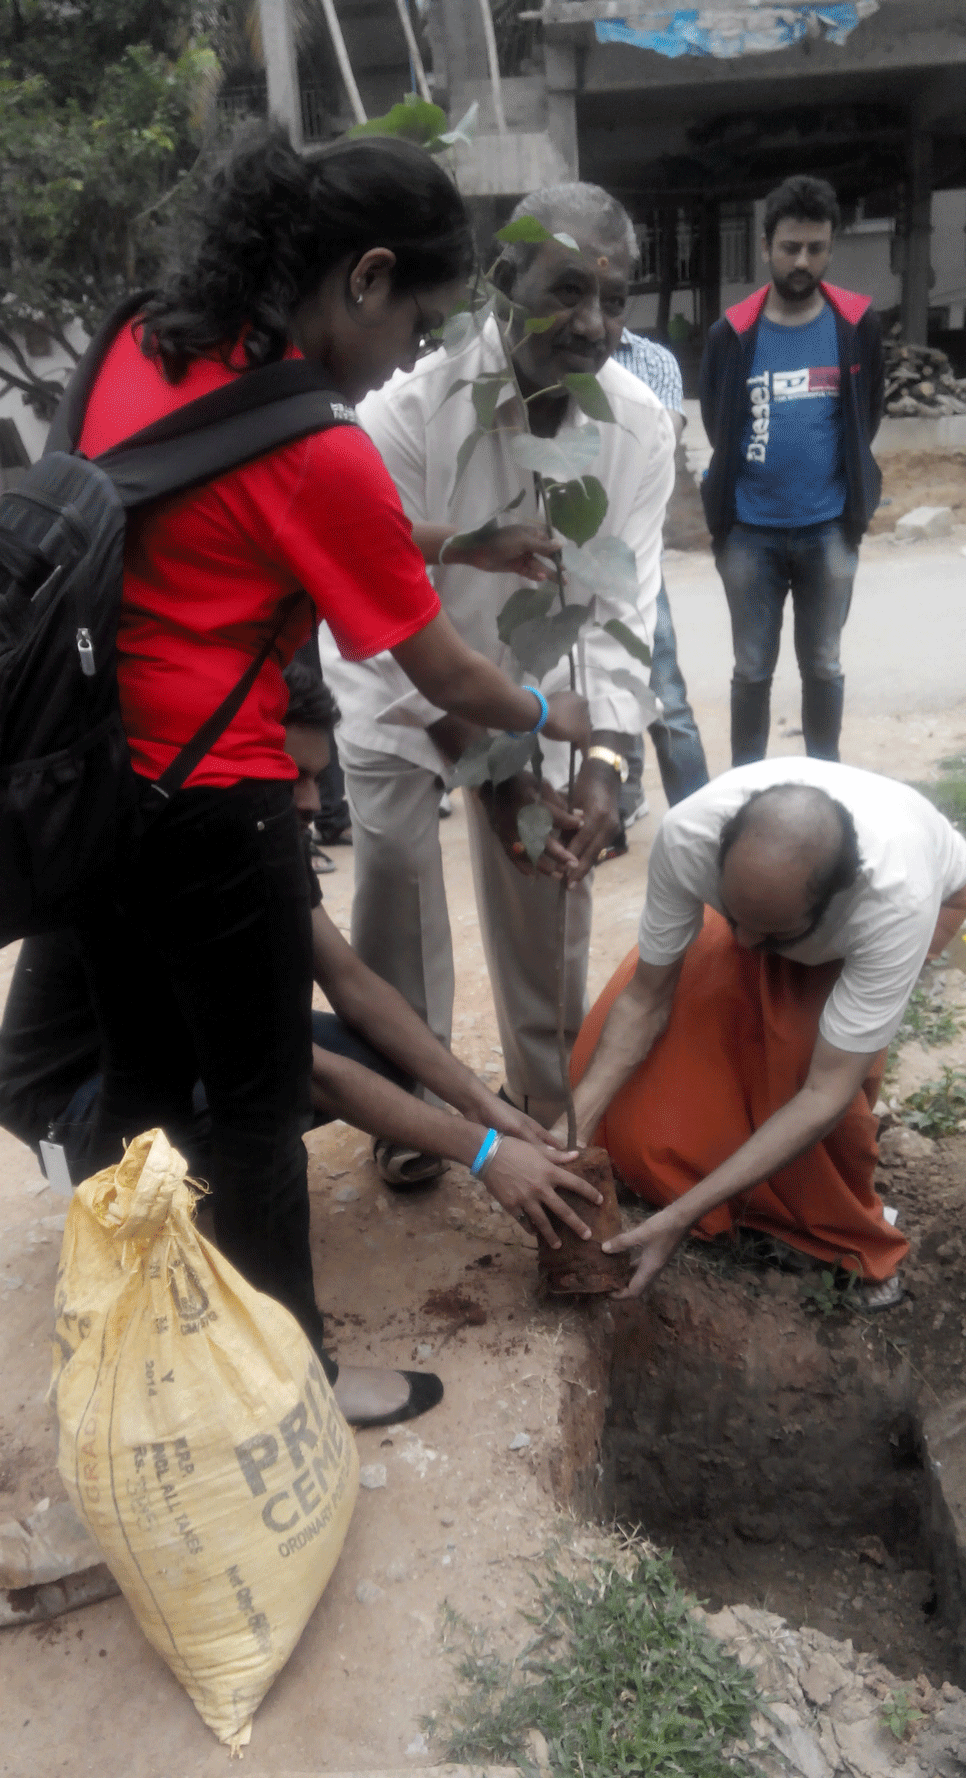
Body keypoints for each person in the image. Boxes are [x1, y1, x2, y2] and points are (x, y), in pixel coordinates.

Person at [66, 127, 591, 1422]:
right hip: (215, 800)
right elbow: (446, 672)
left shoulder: (145, 340)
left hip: (94, 785)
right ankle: (294, 1378)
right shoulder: (320, 446)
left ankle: (154, 1337)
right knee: (254, 1109)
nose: (409, 356)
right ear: (366, 277)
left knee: (143, 1090)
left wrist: (458, 540)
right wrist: (551, 708)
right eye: (415, 320)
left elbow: (239, 507)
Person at [0, 664, 600, 1267]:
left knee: (387, 1057)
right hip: (72, 1104)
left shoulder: (260, 833)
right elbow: (298, 1067)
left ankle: (224, 1173)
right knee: (266, 1088)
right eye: (295, 777)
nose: (313, 801)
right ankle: (175, 1205)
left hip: (174, 1051)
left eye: (318, 777)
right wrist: (486, 1153)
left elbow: (352, 983)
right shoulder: (182, 847)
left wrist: (482, 1104)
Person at [324, 180, 675, 1136]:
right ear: (501, 279)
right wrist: (487, 769)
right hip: (398, 673)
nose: (594, 324)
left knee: (548, 868)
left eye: (614, 299)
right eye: (567, 290)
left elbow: (620, 605)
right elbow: (378, 607)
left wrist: (605, 758)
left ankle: (546, 1098)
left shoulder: (639, 424)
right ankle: (410, 1109)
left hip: (536, 689)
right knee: (395, 874)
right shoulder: (409, 409)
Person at [562, 761, 966, 1307]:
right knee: (618, 1056)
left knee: (796, 1068)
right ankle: (725, 1187)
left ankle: (840, 1242)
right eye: (733, 918)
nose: (746, 944)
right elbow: (644, 1000)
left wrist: (682, 1217)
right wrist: (571, 1133)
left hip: (895, 912)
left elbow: (824, 1092)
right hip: (771, 904)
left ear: (838, 899)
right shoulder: (689, 836)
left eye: (773, 935)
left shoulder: (894, 905)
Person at [699, 175, 885, 767]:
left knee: (824, 664)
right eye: (790, 247)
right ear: (765, 248)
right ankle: (747, 786)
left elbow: (867, 414)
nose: (802, 261)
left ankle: (824, 780)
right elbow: (716, 422)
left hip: (829, 526)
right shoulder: (732, 333)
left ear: (830, 248)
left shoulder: (856, 325)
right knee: (752, 668)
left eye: (815, 248)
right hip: (748, 531)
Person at [611, 326, 708, 831]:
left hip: (634, 556)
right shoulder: (545, 354)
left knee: (665, 698)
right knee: (595, 691)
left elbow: (660, 446)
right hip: (557, 556)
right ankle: (621, 802)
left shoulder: (652, 360)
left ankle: (700, 823)